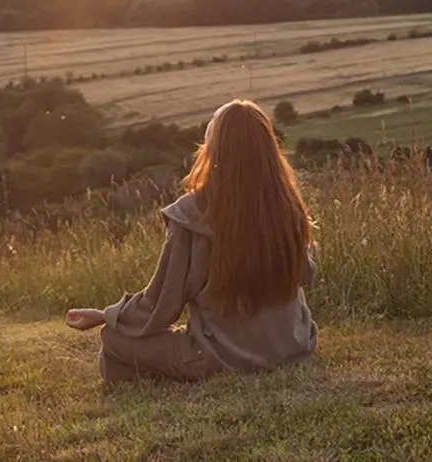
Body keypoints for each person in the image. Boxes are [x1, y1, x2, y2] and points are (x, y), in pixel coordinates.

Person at [65, 99, 318, 382]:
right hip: (295, 345)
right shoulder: (287, 205)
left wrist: (105, 315)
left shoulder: (192, 213)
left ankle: (158, 376)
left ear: (215, 147)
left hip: (223, 357)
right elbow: (306, 273)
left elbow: (161, 303)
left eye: (212, 123)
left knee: (112, 339)